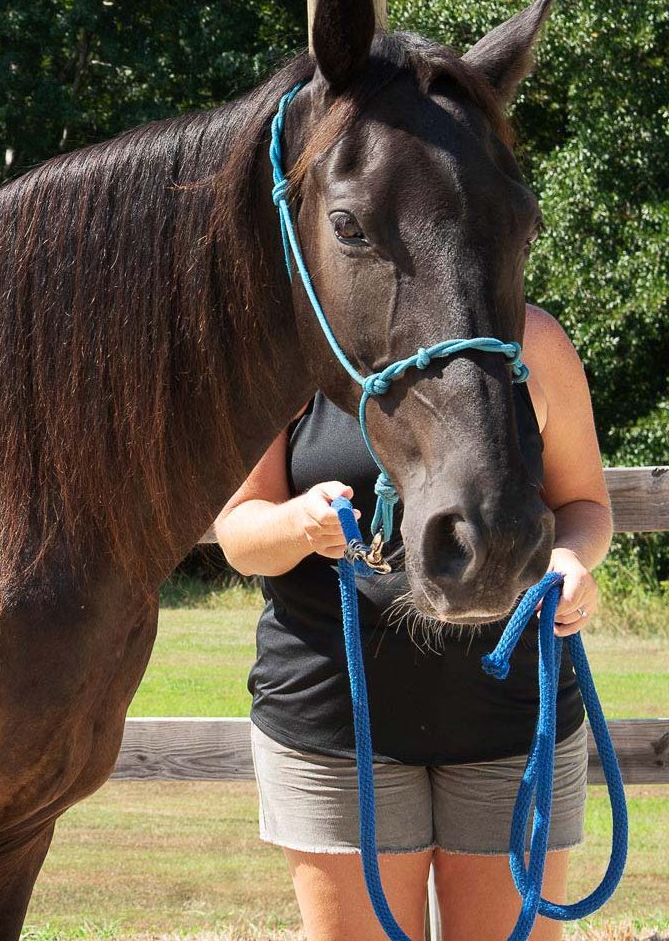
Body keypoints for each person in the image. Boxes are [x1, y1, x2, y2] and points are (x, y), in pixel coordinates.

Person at [213, 304, 613, 941]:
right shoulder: (291, 340)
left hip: (514, 719)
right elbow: (239, 532)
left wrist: (568, 558)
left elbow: (585, 505)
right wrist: (299, 524)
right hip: (335, 721)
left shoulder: (533, 340)